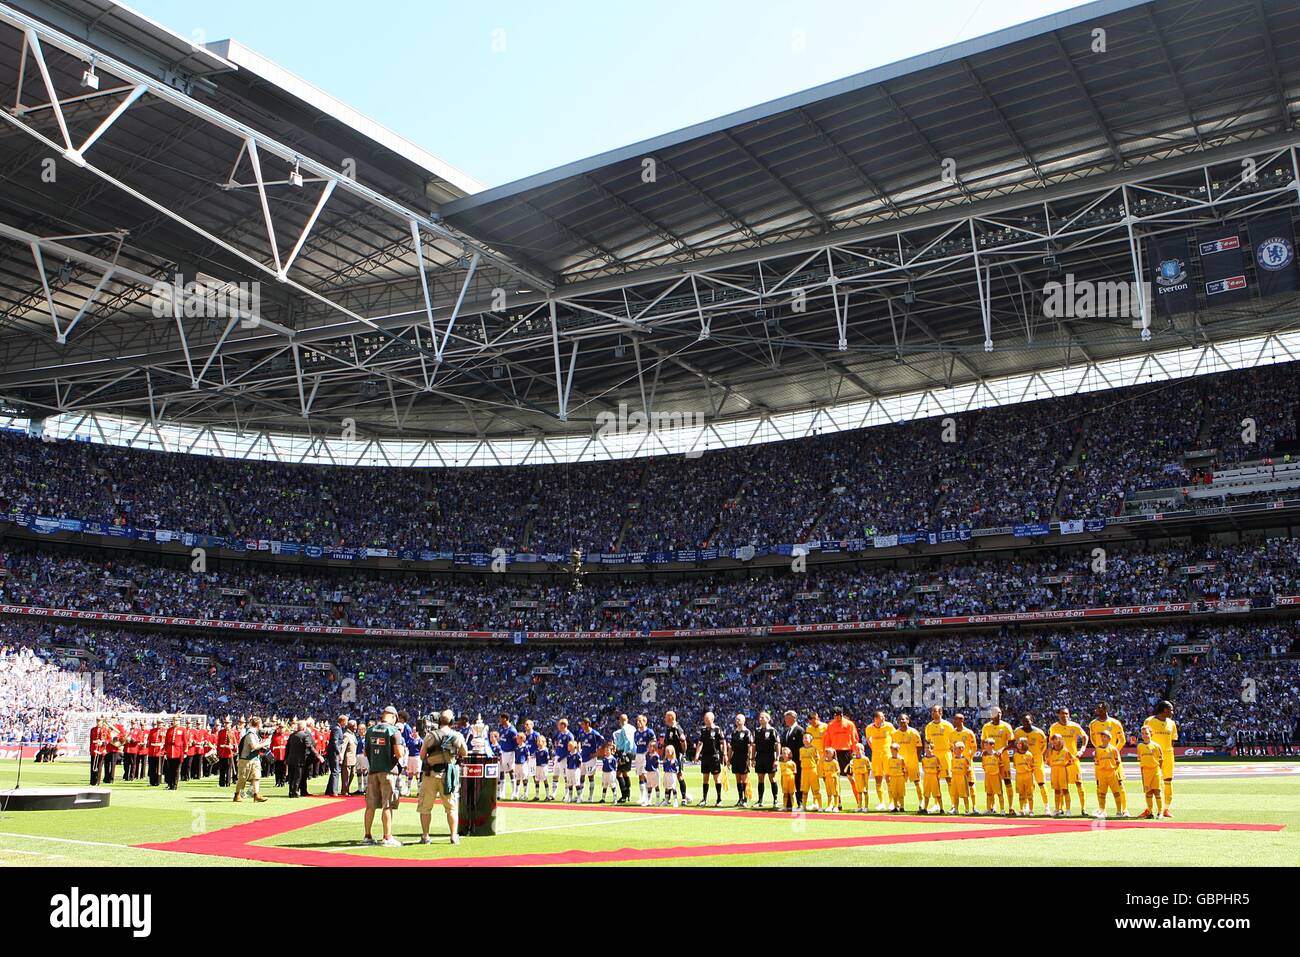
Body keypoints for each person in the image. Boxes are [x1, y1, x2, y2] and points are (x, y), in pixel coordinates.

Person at [417, 709, 467, 845]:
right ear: (452, 722)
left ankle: (426, 836)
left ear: (439, 721)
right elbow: (464, 753)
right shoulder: (457, 736)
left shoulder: (430, 736)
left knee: (426, 807)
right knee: (451, 807)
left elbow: (422, 756)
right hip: (448, 776)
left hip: (431, 775)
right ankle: (453, 836)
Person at [362, 706, 406, 847]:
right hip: (388, 771)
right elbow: (399, 753)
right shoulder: (394, 731)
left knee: (370, 806)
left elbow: (366, 752)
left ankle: (367, 836)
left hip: (373, 771)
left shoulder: (370, 730)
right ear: (393, 717)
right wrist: (403, 751)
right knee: (387, 805)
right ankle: (387, 837)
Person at [1049, 707, 1090, 816]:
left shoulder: (1074, 726)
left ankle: (1083, 809)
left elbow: (1085, 737)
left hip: (1073, 759)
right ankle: (1061, 809)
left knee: (1079, 783)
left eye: (1066, 714)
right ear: (1058, 715)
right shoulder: (1054, 727)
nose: (1065, 716)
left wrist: (1082, 749)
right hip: (1060, 760)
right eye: (1062, 714)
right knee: (1062, 786)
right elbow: (1051, 743)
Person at [1142, 700, 1179, 818]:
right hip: (1153, 756)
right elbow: (1145, 737)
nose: (1172, 712)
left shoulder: (1172, 723)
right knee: (1151, 783)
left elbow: (1173, 740)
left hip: (1168, 755)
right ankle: (1149, 809)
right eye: (1171, 709)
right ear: (1164, 710)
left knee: (1168, 781)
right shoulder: (1149, 721)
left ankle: (1166, 809)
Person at [1012, 713, 1049, 809]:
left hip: (1037, 761)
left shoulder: (1039, 732)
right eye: (1024, 721)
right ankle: (1025, 806)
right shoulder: (1017, 732)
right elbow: (1015, 744)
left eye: (1027, 721)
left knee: (1041, 783)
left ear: (1031, 721)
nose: (1026, 723)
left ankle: (1046, 806)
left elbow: (1044, 745)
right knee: (1024, 786)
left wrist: (1038, 753)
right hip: (1024, 761)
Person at [864, 711, 896, 811]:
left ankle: (892, 802)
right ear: (875, 718)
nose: (883, 718)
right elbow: (868, 739)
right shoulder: (869, 728)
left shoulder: (889, 726)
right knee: (878, 778)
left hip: (887, 754)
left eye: (883, 716)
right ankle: (881, 802)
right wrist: (873, 748)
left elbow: (895, 737)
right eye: (881, 717)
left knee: (889, 778)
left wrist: (892, 749)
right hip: (876, 755)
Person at [234, 717, 269, 803]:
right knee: (242, 779)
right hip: (246, 760)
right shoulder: (250, 734)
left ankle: (256, 795)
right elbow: (253, 746)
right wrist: (265, 743)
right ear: (258, 724)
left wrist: (262, 745)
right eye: (260, 724)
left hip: (255, 759)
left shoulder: (255, 734)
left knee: (256, 777)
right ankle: (237, 794)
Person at [695, 711, 725, 807]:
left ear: (712, 719)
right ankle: (704, 799)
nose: (705, 720)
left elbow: (722, 741)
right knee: (705, 778)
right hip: (705, 757)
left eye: (707, 718)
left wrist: (723, 753)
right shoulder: (703, 730)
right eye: (705, 718)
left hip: (714, 756)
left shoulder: (717, 729)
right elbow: (700, 743)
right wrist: (697, 754)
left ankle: (719, 799)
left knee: (716, 778)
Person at [1135, 725, 1165, 819]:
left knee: (1157, 791)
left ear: (1151, 734)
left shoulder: (1156, 746)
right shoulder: (1140, 746)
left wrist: (1158, 770)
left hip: (1155, 770)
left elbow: (1161, 760)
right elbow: (1140, 760)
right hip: (1145, 772)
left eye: (1146, 733)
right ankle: (1150, 812)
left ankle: (1160, 812)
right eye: (1143, 733)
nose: (1145, 735)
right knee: (1148, 792)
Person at [752, 711, 779, 809]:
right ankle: (760, 800)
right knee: (760, 778)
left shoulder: (772, 730)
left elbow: (777, 744)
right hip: (760, 756)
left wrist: (776, 759)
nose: (760, 719)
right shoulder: (757, 731)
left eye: (762, 717)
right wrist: (753, 758)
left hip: (770, 756)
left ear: (768, 719)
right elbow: (754, 745)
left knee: (772, 778)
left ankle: (775, 800)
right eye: (760, 717)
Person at [661, 711, 689, 804]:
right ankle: (667, 798)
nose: (665, 719)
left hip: (676, 755)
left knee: (679, 775)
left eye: (666, 717)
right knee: (668, 775)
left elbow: (683, 740)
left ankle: (684, 797)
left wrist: (683, 752)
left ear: (670, 718)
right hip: (668, 755)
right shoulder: (668, 729)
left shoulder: (677, 728)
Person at [727, 713, 754, 808]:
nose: (737, 721)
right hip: (736, 757)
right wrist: (728, 759)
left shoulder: (747, 732)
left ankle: (745, 800)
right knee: (738, 779)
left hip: (744, 757)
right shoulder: (734, 733)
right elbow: (731, 747)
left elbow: (750, 746)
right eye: (736, 719)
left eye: (739, 719)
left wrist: (749, 759)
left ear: (744, 721)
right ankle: (740, 799)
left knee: (744, 779)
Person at [286, 719, 318, 798]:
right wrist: (318, 755)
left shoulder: (292, 735)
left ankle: (291, 792)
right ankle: (295, 792)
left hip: (291, 759)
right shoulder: (305, 735)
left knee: (291, 776)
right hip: (300, 759)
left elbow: (287, 748)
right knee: (298, 776)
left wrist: (286, 759)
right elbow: (309, 746)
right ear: (304, 728)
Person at [779, 710, 805, 807]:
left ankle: (800, 802)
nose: (785, 720)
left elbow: (801, 746)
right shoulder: (786, 731)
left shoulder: (799, 730)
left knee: (798, 782)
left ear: (793, 718)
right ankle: (789, 803)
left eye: (787, 718)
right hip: (787, 762)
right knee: (788, 782)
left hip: (796, 761)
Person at [824, 708, 859, 774]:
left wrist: (855, 751)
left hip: (846, 751)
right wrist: (827, 752)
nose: (836, 718)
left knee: (850, 773)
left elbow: (854, 738)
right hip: (834, 752)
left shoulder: (849, 724)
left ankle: (854, 785)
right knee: (834, 773)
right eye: (835, 716)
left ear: (841, 715)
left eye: (838, 716)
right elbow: (827, 740)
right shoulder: (830, 725)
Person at [612, 713, 635, 804]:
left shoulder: (624, 729)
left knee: (618, 774)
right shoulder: (632, 728)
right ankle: (627, 794)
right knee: (625, 772)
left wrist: (624, 754)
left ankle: (624, 795)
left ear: (620, 721)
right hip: (630, 752)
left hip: (624, 752)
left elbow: (627, 741)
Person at [798, 732, 821, 811]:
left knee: (816, 789)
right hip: (804, 770)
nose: (805, 739)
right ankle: (803, 806)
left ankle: (820, 806)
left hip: (812, 770)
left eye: (806, 738)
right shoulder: (801, 749)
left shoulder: (814, 749)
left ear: (811, 739)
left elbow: (817, 760)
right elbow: (801, 759)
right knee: (804, 790)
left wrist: (817, 770)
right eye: (804, 738)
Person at [325, 715, 347, 796]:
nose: (346, 723)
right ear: (342, 721)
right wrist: (339, 753)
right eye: (346, 721)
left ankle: (329, 790)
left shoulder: (337, 728)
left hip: (333, 752)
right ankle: (334, 791)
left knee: (334, 771)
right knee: (336, 771)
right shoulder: (337, 729)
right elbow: (335, 742)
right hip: (334, 753)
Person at [950, 741, 973, 815]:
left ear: (961, 749)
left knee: (964, 795)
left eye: (955, 748)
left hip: (962, 779)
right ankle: (956, 809)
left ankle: (967, 810)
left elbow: (968, 769)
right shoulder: (953, 759)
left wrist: (967, 776)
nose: (954, 750)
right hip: (954, 778)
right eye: (954, 748)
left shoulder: (965, 759)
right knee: (955, 795)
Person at [778, 747, 798, 812]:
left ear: (789, 754)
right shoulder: (781, 763)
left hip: (791, 778)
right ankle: (784, 806)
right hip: (784, 778)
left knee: (792, 793)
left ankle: (794, 807)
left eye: (785, 753)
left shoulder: (792, 763)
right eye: (783, 753)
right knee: (785, 793)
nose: (784, 755)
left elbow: (795, 771)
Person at [341, 720, 358, 796]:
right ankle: (344, 791)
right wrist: (341, 757)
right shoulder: (346, 735)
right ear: (351, 726)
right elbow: (343, 747)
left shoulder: (353, 735)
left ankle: (347, 789)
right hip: (347, 759)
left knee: (352, 774)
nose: (356, 727)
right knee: (346, 776)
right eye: (355, 726)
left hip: (353, 758)